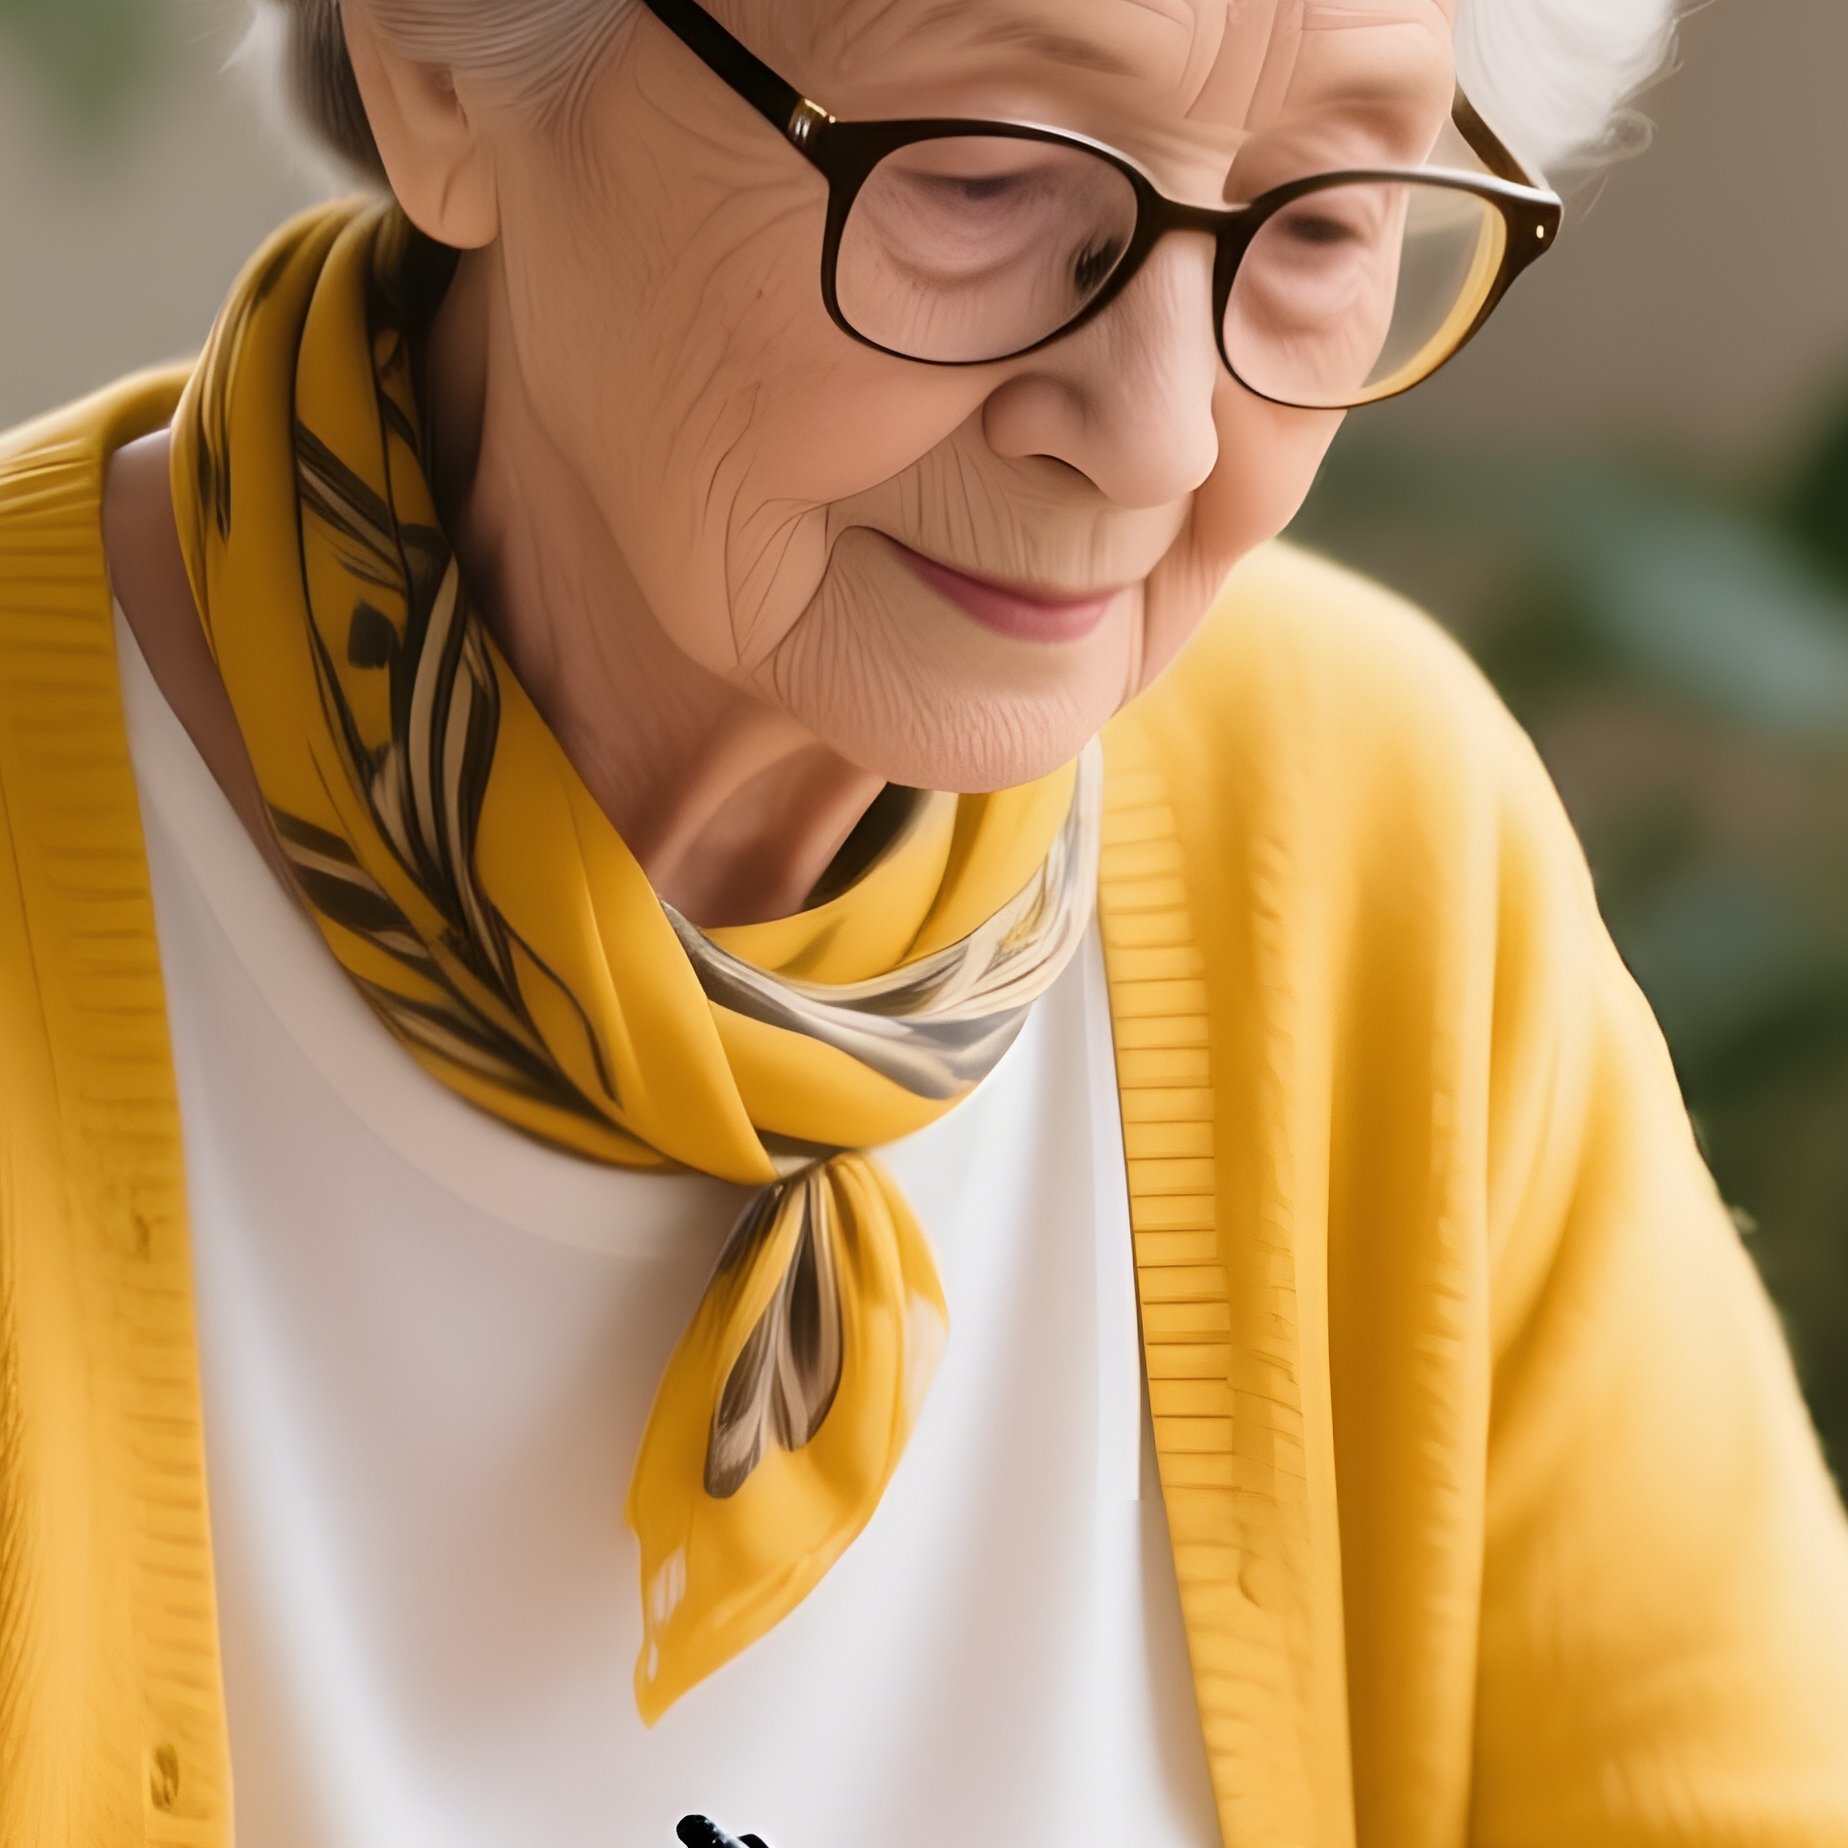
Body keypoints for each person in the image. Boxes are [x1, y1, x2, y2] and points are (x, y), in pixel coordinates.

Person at [2, 0, 1845, 1842]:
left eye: (1320, 223)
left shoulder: (1371, 865)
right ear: (436, 65)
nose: (1154, 433)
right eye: (981, 178)